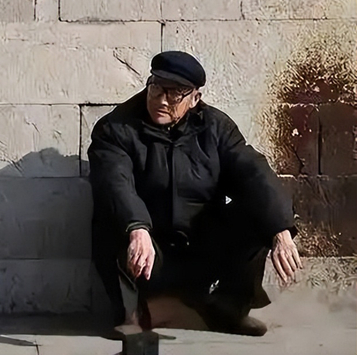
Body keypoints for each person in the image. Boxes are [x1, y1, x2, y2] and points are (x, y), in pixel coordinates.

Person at [88, 51, 302, 337]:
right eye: (156, 88)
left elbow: (252, 172)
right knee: (117, 218)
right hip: (150, 252)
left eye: (175, 93)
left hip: (200, 247)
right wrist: (137, 228)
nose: (162, 100)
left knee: (259, 212)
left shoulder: (216, 127)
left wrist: (280, 230)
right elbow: (115, 183)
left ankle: (229, 309)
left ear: (195, 98)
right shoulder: (115, 129)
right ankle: (134, 315)